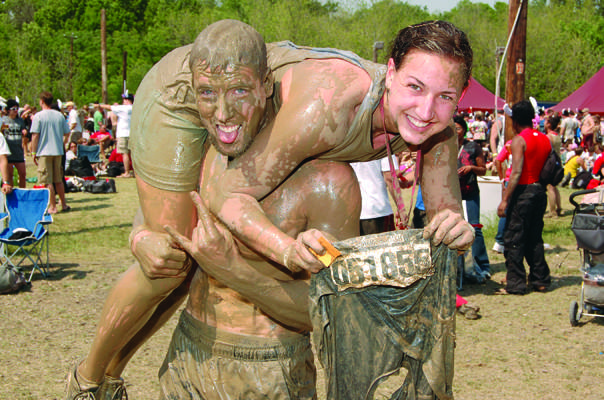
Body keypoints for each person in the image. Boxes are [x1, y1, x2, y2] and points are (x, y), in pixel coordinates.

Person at [68, 19, 474, 399]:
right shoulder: (327, 107)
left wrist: (456, 229)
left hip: (249, 87)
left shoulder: (438, 134)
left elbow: (444, 216)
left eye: (445, 97)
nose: (425, 111)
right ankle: (88, 379)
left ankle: (108, 374)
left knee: (178, 253)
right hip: (188, 88)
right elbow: (228, 195)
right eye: (415, 87)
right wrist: (285, 249)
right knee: (169, 260)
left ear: (460, 96)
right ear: (390, 72)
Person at [496, 100, 551, 295]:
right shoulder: (545, 138)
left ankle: (516, 284)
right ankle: (540, 280)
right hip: (539, 192)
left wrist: (505, 199)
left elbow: (517, 172)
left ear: (514, 121)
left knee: (514, 238)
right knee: (534, 238)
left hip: (524, 191)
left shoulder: (520, 140)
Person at [455, 114, 490, 281]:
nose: (456, 132)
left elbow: (483, 169)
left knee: (475, 228)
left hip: (470, 193)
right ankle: (462, 267)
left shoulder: (473, 146)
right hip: (453, 194)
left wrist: (471, 168)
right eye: (452, 129)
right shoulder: (446, 146)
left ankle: (483, 264)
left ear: (464, 130)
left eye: (459, 129)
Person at [30, 91, 70, 214]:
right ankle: (63, 204)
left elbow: (35, 136)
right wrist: (62, 143)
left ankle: (52, 206)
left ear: (42, 101)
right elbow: (67, 133)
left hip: (44, 151)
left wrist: (33, 152)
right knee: (58, 179)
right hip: (58, 151)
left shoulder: (38, 116)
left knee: (47, 181)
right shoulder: (59, 115)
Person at [350, 156, 397, 235]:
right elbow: (390, 178)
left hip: (351, 211)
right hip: (378, 209)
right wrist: (400, 208)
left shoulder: (344, 144)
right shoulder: (384, 144)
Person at [97, 94, 133, 177]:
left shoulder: (124, 108)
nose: (123, 101)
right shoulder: (135, 107)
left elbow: (109, 107)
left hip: (123, 133)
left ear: (127, 100)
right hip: (132, 133)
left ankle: (127, 172)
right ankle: (134, 172)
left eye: (124, 100)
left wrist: (99, 105)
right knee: (132, 154)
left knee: (125, 153)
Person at [1, 99, 27, 188]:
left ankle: (22, 192)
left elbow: (24, 130)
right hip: (8, 152)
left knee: (22, 174)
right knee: (10, 176)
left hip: (19, 151)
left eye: (17, 108)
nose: (16, 110)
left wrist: (24, 131)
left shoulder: (20, 121)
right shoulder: (3, 120)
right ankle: (11, 195)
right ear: (8, 110)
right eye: (14, 108)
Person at [544, 115, 562, 217]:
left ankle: (552, 211)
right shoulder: (557, 135)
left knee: (550, 187)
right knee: (554, 187)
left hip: (551, 163)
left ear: (549, 124)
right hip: (558, 162)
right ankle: (559, 207)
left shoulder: (548, 137)